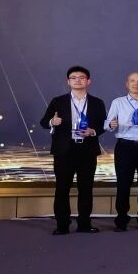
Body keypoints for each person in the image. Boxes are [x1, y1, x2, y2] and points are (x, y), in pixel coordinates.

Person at [41, 65, 106, 235]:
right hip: (64, 150)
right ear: (68, 81)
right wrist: (52, 122)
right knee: (62, 188)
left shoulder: (97, 102)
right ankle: (62, 225)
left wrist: (93, 131)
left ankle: (84, 224)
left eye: (81, 77)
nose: (77, 80)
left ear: (88, 81)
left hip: (87, 150)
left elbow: (103, 125)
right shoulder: (58, 101)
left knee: (86, 188)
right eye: (73, 78)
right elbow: (43, 122)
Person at [104, 71, 138, 232]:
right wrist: (111, 125)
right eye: (132, 81)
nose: (136, 84)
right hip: (125, 146)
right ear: (127, 84)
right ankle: (121, 220)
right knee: (123, 184)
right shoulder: (118, 102)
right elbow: (107, 124)